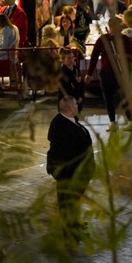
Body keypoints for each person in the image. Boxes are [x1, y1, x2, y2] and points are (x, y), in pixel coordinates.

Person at [47, 96, 95, 241]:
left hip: (75, 172)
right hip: (70, 174)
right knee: (68, 203)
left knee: (73, 202)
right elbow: (67, 154)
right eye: (75, 104)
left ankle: (74, 225)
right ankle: (71, 235)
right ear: (69, 108)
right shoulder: (62, 127)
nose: (77, 105)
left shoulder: (66, 120)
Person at [85, 19, 132, 131]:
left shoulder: (125, 39)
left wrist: (121, 56)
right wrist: (89, 73)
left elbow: (131, 55)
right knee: (108, 99)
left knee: (124, 97)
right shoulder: (103, 39)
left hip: (121, 73)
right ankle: (112, 122)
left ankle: (131, 121)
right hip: (106, 74)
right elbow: (94, 57)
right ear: (110, 27)